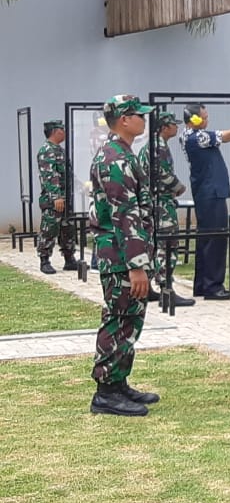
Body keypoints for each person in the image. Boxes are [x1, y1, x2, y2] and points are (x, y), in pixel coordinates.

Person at [89, 94, 160, 417]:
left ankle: (118, 383)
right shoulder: (114, 158)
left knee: (129, 319)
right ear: (124, 120)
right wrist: (136, 266)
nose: (144, 119)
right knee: (118, 319)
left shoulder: (122, 153)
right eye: (138, 115)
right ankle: (105, 392)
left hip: (126, 254)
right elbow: (124, 214)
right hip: (120, 257)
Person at [180, 103, 230, 299]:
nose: (207, 120)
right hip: (211, 193)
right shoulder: (196, 137)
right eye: (204, 117)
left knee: (206, 239)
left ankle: (202, 284)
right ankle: (213, 286)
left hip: (206, 192)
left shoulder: (188, 136)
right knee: (216, 238)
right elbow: (228, 135)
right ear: (194, 119)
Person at [139, 111, 194, 308]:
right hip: (161, 204)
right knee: (167, 245)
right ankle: (166, 290)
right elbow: (162, 173)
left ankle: (150, 289)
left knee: (154, 246)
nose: (176, 127)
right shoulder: (158, 147)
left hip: (153, 203)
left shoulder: (151, 146)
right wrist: (178, 187)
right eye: (173, 124)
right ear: (164, 127)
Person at [35, 118, 76, 275]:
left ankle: (69, 259)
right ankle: (44, 260)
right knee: (50, 228)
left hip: (67, 197)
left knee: (68, 228)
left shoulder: (59, 150)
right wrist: (56, 197)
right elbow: (49, 176)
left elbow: (68, 174)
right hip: (54, 199)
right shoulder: (47, 150)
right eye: (62, 130)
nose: (65, 132)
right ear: (56, 131)